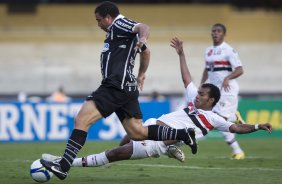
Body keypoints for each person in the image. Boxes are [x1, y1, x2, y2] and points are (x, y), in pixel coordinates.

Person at [42, 37, 272, 169]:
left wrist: (257, 126)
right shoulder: (194, 100)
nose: (197, 95)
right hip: (152, 127)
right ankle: (173, 146)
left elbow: (235, 128)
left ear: (211, 100)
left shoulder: (213, 118)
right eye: (199, 92)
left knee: (114, 153)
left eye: (202, 94)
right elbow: (186, 78)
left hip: (154, 144)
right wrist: (181, 54)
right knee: (127, 135)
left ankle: (67, 163)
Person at [40, 2, 197, 180]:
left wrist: (143, 38)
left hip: (115, 85)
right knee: (137, 133)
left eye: (99, 20)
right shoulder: (116, 34)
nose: (97, 24)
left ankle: (63, 166)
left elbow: (144, 27)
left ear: (108, 17)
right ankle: (183, 134)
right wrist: (141, 74)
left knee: (81, 119)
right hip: (127, 87)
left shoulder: (119, 24)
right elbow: (146, 53)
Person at [200, 23, 246, 160]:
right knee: (220, 123)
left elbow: (240, 69)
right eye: (213, 31)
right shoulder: (208, 51)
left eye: (218, 31)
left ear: (223, 34)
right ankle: (237, 150)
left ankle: (238, 150)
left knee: (219, 121)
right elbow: (207, 69)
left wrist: (227, 77)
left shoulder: (228, 50)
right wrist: (202, 85)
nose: (215, 33)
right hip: (215, 92)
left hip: (227, 90)